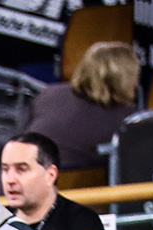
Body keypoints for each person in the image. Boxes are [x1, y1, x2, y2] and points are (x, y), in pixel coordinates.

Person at [23, 42, 140, 173]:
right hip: (63, 189)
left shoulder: (50, 94)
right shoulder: (126, 121)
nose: (137, 81)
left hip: (8, 183)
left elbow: (19, 138)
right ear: (125, 79)